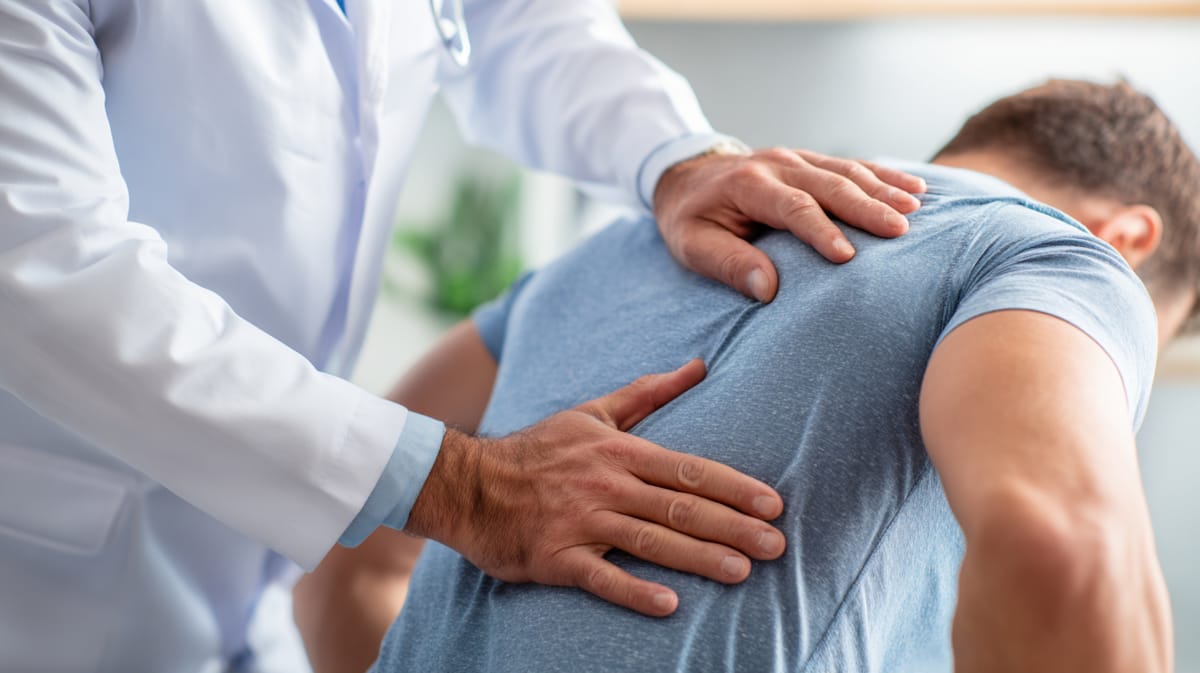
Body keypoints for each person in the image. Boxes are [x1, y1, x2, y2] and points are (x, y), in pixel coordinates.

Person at [0, 1, 931, 671]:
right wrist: (464, 486)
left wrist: (675, 153)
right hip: (49, 581)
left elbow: (514, 18)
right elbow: (40, 267)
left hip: (254, 578)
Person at [297, 79, 1195, 672]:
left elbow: (349, 548)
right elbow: (1062, 548)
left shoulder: (605, 253)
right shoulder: (1058, 257)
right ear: (1130, 237)